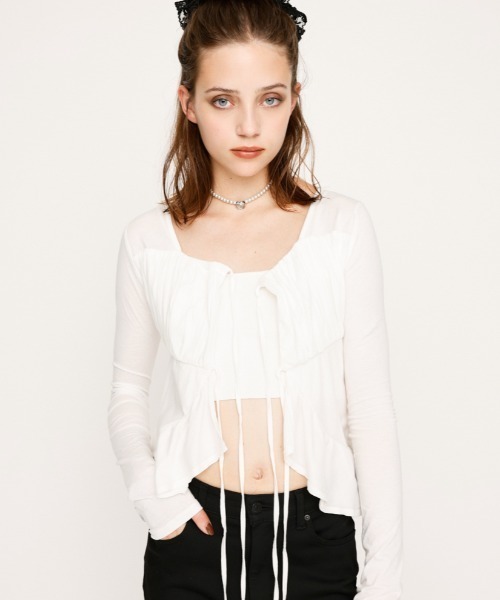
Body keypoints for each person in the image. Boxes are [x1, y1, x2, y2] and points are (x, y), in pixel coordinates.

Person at [107, 0, 403, 599]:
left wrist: (385, 581)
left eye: (269, 99)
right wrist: (155, 499)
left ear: (294, 99)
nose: (249, 126)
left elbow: (369, 413)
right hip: (193, 538)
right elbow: (127, 392)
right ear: (188, 103)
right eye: (223, 100)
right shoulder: (148, 241)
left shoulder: (340, 229)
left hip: (316, 539)